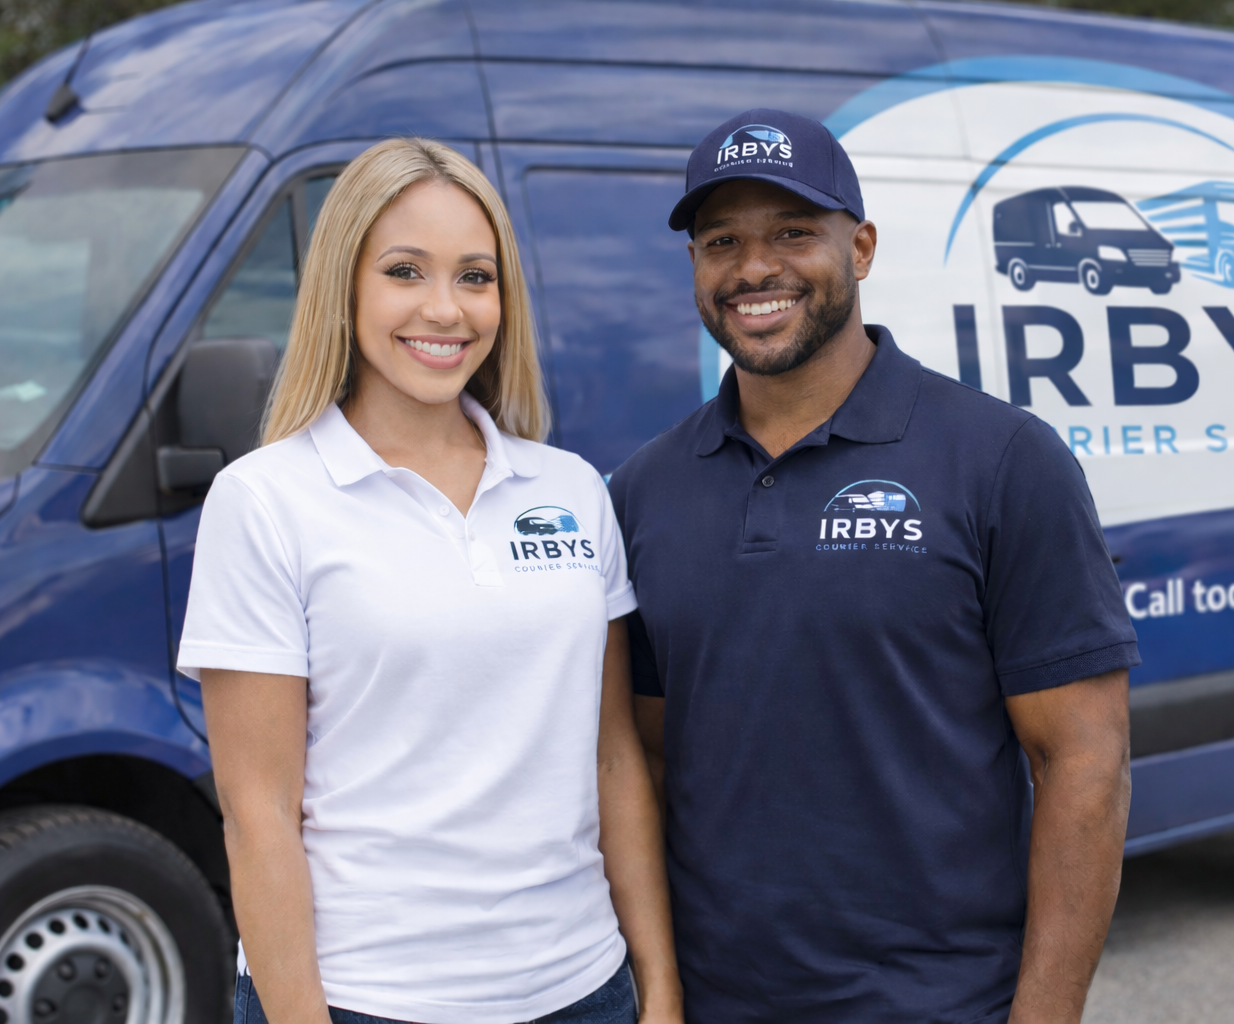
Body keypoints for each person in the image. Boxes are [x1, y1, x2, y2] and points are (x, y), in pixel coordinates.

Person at [608, 109, 1138, 1024]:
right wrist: (661, 990)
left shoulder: (1003, 459)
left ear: (861, 248)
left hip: (941, 1004)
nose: (754, 269)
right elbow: (649, 760)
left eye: (792, 233)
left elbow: (1083, 759)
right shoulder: (647, 489)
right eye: (721, 240)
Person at [179, 138, 683, 1024]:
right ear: (346, 285)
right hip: (370, 1000)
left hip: (582, 991)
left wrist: (661, 987)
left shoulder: (569, 488)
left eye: (475, 277)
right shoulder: (264, 500)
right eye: (405, 271)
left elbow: (613, 757)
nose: (445, 309)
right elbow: (259, 814)